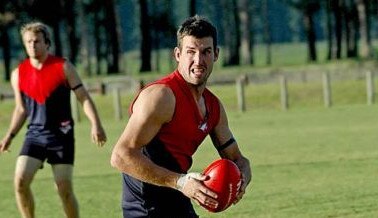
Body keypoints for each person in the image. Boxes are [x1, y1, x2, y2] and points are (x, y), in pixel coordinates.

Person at [110, 15, 252, 218]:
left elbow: (238, 159)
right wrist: (181, 182)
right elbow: (121, 156)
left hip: (178, 200)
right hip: (145, 208)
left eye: (206, 52)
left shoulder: (213, 107)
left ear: (216, 55)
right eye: (191, 52)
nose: (198, 60)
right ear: (178, 54)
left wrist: (241, 180)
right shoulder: (161, 96)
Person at [0, 21, 107, 218]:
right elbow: (21, 109)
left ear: (47, 43)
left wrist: (96, 124)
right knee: (20, 182)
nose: (33, 45)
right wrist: (9, 135)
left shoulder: (63, 67)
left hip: (61, 136)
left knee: (64, 190)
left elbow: (83, 97)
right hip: (34, 136)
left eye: (37, 41)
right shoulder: (18, 74)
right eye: (28, 42)